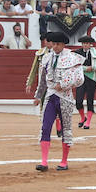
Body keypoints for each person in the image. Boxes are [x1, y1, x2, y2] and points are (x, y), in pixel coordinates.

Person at [34, 32, 84, 172]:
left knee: (66, 130)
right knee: (45, 127)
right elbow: (43, 80)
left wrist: (63, 84)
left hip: (65, 98)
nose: (54, 47)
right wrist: (38, 96)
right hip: (50, 96)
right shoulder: (46, 58)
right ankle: (44, 162)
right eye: (53, 44)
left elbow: (80, 79)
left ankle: (64, 161)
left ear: (63, 44)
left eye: (57, 44)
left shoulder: (73, 58)